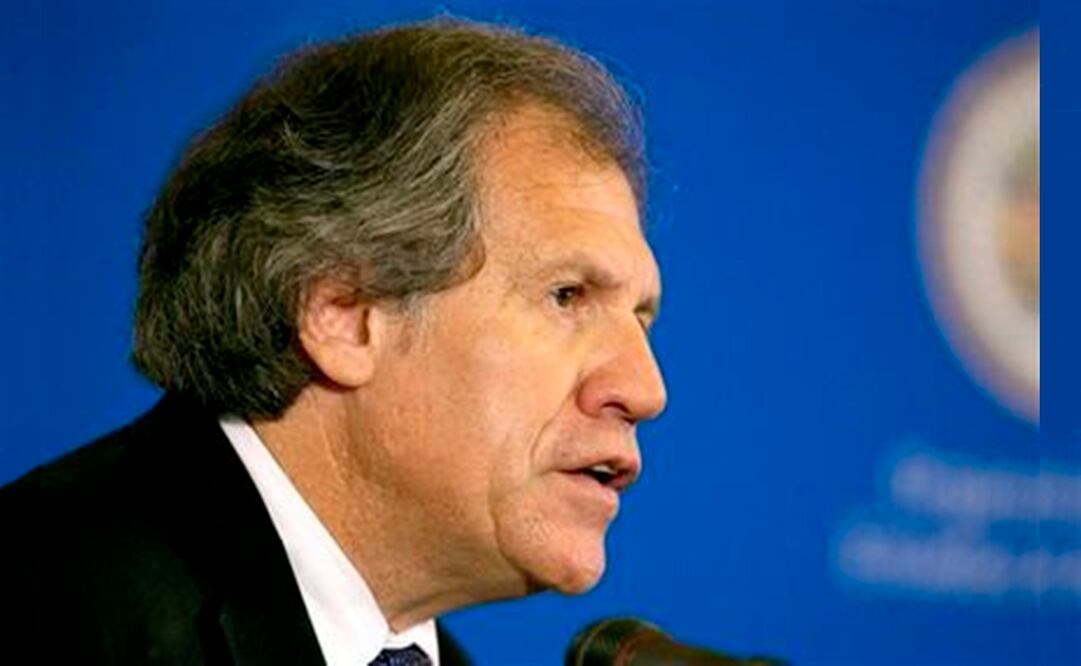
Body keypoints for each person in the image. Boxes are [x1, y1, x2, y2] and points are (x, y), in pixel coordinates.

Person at [0, 18, 666, 665]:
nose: (645, 390)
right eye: (567, 296)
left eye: (640, 317)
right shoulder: (46, 605)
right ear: (343, 315)